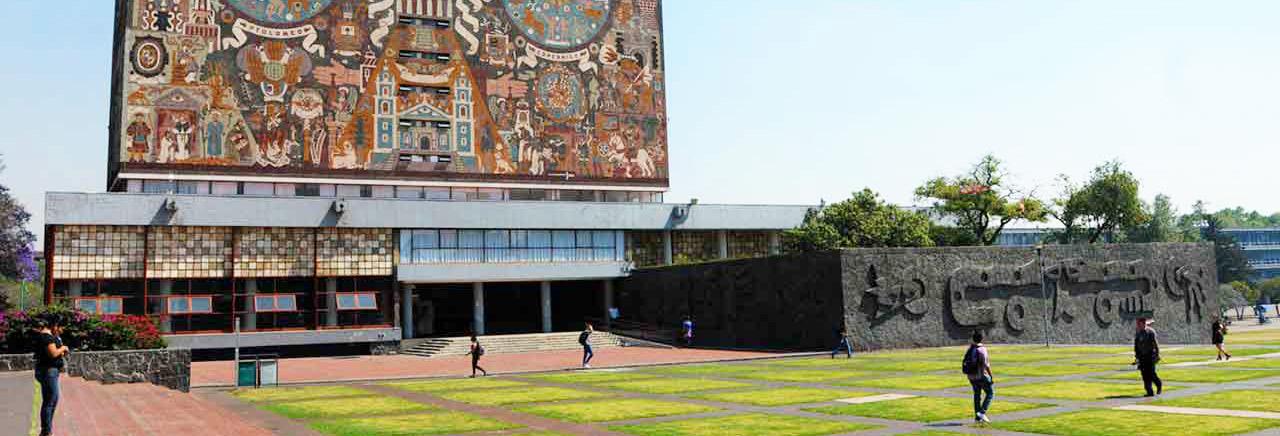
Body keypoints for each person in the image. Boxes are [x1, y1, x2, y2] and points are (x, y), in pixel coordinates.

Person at [33, 319, 69, 436]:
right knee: (49, 401)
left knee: (52, 400)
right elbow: (53, 353)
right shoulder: (46, 337)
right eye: (61, 328)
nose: (62, 331)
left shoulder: (49, 337)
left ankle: (47, 429)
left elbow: (56, 353)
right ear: (55, 326)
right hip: (49, 372)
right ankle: (46, 431)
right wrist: (63, 348)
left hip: (50, 371)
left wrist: (61, 350)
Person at [962, 330, 994, 423]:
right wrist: (991, 376)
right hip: (980, 376)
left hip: (971, 376)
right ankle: (982, 412)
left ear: (973, 339)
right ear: (982, 339)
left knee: (977, 395)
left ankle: (977, 418)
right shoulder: (982, 349)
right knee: (990, 393)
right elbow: (986, 365)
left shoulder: (970, 349)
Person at [1133, 317, 1163, 397]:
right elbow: (1136, 345)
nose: (1138, 325)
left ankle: (1159, 384)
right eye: (1137, 324)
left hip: (1150, 356)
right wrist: (1137, 357)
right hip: (1142, 357)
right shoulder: (1138, 333)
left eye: (1139, 324)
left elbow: (1155, 345)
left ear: (1143, 323)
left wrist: (1157, 355)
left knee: (1151, 374)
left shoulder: (1150, 332)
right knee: (1144, 375)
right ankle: (1149, 392)